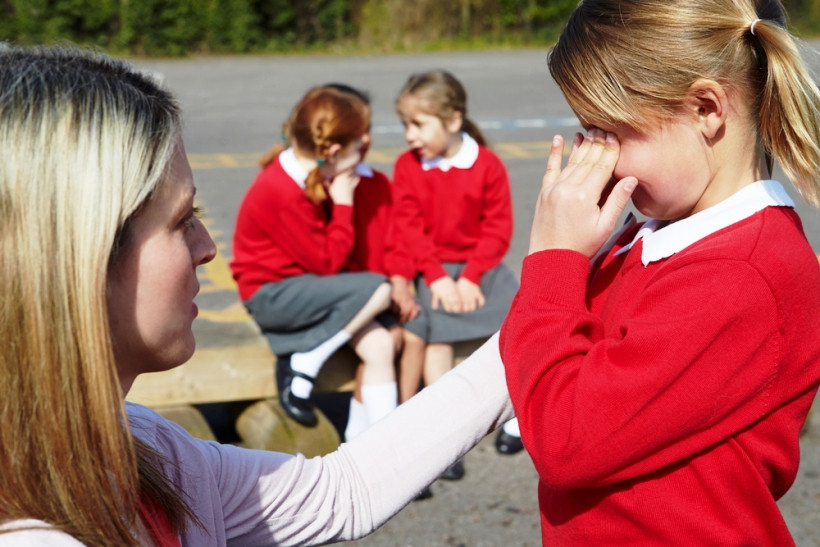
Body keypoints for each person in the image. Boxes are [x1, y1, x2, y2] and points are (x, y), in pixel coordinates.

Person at [0, 44, 514, 546]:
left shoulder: (150, 448)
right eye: (183, 221)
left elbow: (345, 490)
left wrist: (534, 327)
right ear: (77, 258)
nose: (207, 248)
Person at [498, 0, 820, 544]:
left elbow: (565, 441)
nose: (593, 156)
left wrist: (555, 258)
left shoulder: (740, 275)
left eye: (608, 132)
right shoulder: (654, 233)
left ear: (706, 108)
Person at [231, 86, 400, 431]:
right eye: (360, 144)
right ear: (335, 150)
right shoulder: (282, 189)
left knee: (380, 345)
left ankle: (379, 449)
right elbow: (327, 263)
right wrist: (343, 203)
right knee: (379, 289)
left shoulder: (307, 172)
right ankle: (307, 359)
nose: (365, 148)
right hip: (273, 296)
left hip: (306, 291)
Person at [390, 69, 524, 476]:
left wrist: (470, 277)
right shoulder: (408, 166)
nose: (409, 135)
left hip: (478, 266)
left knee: (520, 323)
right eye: (405, 125)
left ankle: (519, 417)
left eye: (418, 124)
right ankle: (447, 438)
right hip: (432, 269)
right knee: (436, 340)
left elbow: (497, 228)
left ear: (452, 121)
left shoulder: (487, 166)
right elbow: (409, 228)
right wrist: (437, 278)